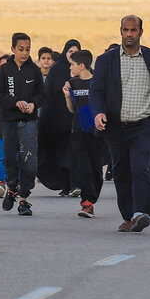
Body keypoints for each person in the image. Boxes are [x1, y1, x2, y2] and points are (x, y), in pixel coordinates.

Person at [89, 14, 150, 233]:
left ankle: (140, 212)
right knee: (121, 172)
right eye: (126, 30)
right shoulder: (107, 60)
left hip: (145, 125)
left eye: (134, 30)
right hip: (116, 127)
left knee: (140, 167)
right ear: (120, 31)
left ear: (141, 32)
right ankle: (129, 215)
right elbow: (96, 92)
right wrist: (98, 114)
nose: (129, 34)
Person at [0, 32, 45, 217]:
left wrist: (33, 104)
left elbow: (42, 94)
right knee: (9, 158)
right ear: (13, 49)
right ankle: (12, 187)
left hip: (29, 122)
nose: (24, 53)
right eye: (21, 49)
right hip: (9, 122)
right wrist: (15, 102)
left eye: (28, 49)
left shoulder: (35, 71)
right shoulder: (4, 71)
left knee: (29, 161)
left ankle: (24, 198)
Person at [62, 49, 104, 218]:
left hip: (97, 132)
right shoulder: (73, 83)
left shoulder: (98, 83)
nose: (70, 68)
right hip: (78, 131)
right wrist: (67, 96)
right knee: (83, 167)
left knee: (96, 170)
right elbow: (73, 110)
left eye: (72, 64)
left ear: (81, 65)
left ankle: (91, 198)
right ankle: (87, 203)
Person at [37, 39, 78, 197]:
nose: (73, 55)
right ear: (64, 53)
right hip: (59, 123)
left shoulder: (84, 69)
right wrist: (44, 121)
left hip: (78, 123)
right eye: (70, 52)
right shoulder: (56, 70)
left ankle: (76, 185)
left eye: (76, 52)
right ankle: (66, 186)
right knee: (61, 156)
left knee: (76, 154)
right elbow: (48, 98)